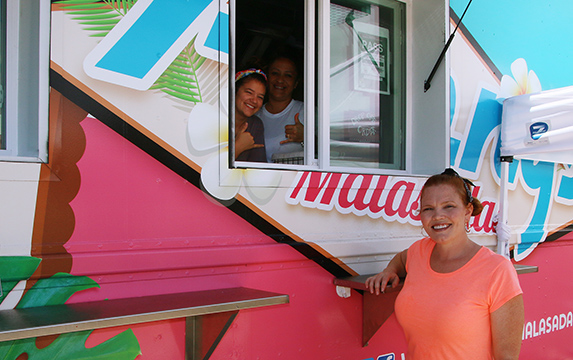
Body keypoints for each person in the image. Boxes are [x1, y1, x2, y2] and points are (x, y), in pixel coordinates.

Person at [365, 168, 524, 360]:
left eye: (448, 206)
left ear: (468, 211)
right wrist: (389, 271)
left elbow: (507, 356)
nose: (438, 215)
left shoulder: (497, 270)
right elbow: (401, 259)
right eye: (428, 209)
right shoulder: (419, 251)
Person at [256, 56, 304, 163]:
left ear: (296, 83)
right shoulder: (254, 115)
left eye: (288, 75)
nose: (280, 80)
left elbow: (335, 149)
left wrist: (306, 137)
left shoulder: (307, 112)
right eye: (275, 73)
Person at [234, 69, 267, 162]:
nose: (254, 101)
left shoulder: (255, 124)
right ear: (235, 91)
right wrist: (238, 147)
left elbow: (259, 168)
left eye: (260, 97)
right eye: (249, 92)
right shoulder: (217, 118)